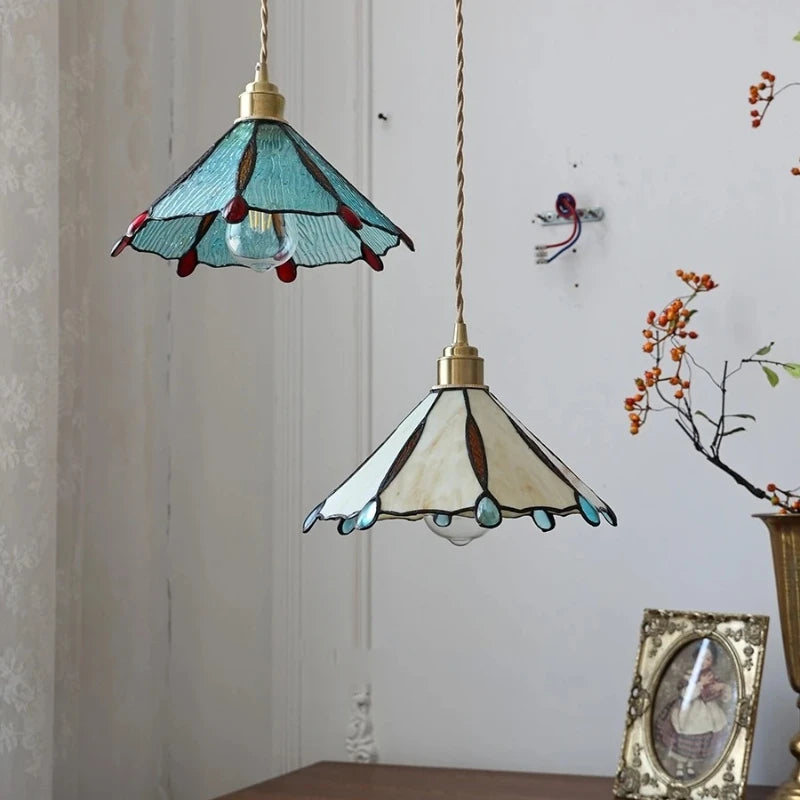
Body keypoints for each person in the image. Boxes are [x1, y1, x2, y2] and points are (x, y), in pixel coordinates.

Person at [655, 639, 733, 780]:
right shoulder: (689, 675)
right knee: (685, 736)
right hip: (689, 713)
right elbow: (686, 695)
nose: (704, 661)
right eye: (702, 657)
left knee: (698, 740)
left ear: (712, 662)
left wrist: (722, 688)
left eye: (708, 659)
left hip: (707, 714)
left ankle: (690, 767)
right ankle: (679, 768)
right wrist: (700, 684)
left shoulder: (712, 677)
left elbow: (725, 698)